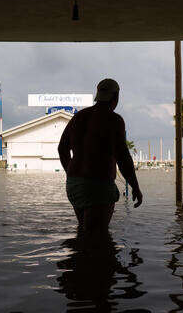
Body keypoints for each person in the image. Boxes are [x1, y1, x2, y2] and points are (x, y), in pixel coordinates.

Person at [58, 78, 143, 235]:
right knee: (98, 237)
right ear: (115, 97)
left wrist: (70, 172)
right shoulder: (114, 120)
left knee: (84, 231)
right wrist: (135, 187)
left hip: (74, 185)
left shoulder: (79, 117)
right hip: (98, 186)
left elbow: (62, 148)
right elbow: (123, 157)